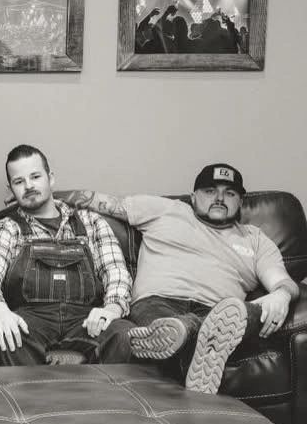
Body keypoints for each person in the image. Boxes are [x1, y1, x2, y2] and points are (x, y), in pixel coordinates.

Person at [61, 163, 300, 394]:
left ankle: (188, 335)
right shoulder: (166, 210)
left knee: (254, 311)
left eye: (229, 193)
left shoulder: (255, 239)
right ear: (193, 197)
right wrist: (42, 199)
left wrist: (282, 295)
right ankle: (196, 348)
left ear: (240, 201)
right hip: (158, 303)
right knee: (172, 329)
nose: (219, 198)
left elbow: (283, 281)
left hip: (219, 311)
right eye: (210, 191)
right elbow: (99, 201)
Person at [0, 145, 134, 366]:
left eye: (35, 176)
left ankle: (101, 400)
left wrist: (112, 309)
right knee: (0, 341)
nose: (28, 186)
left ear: (51, 178)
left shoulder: (91, 223)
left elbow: (115, 271)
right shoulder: (7, 229)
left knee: (126, 335)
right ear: (11, 189)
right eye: (19, 182)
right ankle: (36, 400)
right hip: (30, 321)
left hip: (86, 320)